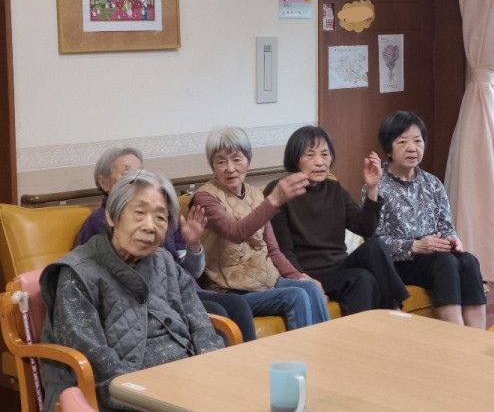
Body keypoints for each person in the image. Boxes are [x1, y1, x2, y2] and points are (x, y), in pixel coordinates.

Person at [40, 170, 225, 411]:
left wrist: (212, 373)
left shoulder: (165, 262)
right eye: (139, 213)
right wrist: (145, 395)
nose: (150, 226)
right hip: (128, 394)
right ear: (112, 216)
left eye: (160, 217)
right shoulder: (77, 274)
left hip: (186, 382)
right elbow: (96, 361)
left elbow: (201, 325)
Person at [78, 147, 257, 341]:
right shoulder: (100, 221)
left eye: (141, 174)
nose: (136, 181)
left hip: (182, 290)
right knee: (216, 311)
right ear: (104, 183)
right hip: (150, 299)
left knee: (236, 304)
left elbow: (192, 272)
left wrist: (193, 245)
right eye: (127, 174)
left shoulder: (161, 216)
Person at [190, 127, 330, 329]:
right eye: (221, 161)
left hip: (266, 279)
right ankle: (304, 348)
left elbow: (273, 250)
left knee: (310, 287)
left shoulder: (256, 194)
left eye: (236, 159)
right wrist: (274, 200)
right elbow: (234, 232)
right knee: (296, 295)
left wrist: (298, 276)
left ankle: (325, 345)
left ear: (248, 161)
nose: (230, 168)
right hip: (230, 290)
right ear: (212, 166)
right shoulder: (204, 198)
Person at [264, 125, 409, 315]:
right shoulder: (280, 191)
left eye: (325, 154)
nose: (319, 162)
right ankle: (375, 325)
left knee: (375, 246)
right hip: (309, 271)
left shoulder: (334, 188)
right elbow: (283, 250)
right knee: (363, 278)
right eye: (310, 155)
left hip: (338, 266)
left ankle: (395, 308)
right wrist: (304, 280)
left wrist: (372, 188)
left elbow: (365, 228)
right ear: (295, 158)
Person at [370, 111, 486, 328]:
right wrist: (416, 246)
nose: (412, 148)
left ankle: (478, 336)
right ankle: (455, 335)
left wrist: (453, 240)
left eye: (418, 141)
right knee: (445, 262)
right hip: (400, 263)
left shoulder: (432, 183)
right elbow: (375, 242)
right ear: (388, 148)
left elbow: (445, 225)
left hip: (434, 257)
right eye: (402, 142)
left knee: (468, 261)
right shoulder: (377, 186)